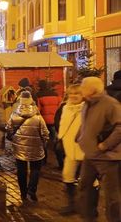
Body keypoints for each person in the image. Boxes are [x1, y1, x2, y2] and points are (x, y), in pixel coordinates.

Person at [77, 76, 121, 222]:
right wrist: (79, 136)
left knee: (111, 194)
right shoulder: (87, 103)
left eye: (83, 86)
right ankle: (89, 217)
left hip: (107, 157)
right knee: (85, 185)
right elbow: (85, 124)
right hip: (90, 154)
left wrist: (105, 145)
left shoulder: (110, 104)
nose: (80, 89)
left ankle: (114, 219)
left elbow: (120, 127)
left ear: (91, 89)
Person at [6, 91, 49, 203]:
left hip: (19, 147)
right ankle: (32, 190)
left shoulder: (14, 114)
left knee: (21, 170)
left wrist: (14, 139)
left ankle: (23, 193)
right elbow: (45, 133)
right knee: (35, 169)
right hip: (36, 146)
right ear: (31, 101)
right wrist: (43, 142)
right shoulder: (38, 116)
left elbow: (9, 129)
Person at [57, 85, 85, 216]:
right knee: (67, 175)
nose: (73, 96)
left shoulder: (87, 108)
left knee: (89, 180)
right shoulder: (65, 108)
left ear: (82, 95)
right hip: (69, 149)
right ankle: (72, 204)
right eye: (71, 93)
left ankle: (90, 207)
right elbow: (62, 125)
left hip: (85, 150)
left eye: (77, 94)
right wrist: (60, 139)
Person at [36, 80, 62, 164]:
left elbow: (38, 110)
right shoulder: (56, 95)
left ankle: (44, 159)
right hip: (55, 121)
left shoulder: (39, 96)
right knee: (55, 140)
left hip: (44, 121)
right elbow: (60, 106)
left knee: (44, 140)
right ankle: (59, 159)